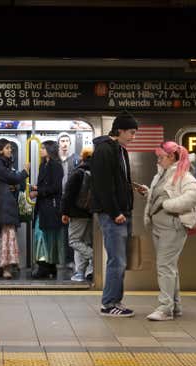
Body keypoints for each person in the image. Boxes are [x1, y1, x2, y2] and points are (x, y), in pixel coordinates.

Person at [141, 141, 196, 321]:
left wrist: (167, 205)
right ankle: (175, 305)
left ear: (172, 157)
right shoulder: (163, 174)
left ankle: (165, 308)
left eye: (161, 157)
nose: (158, 161)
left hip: (173, 227)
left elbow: (193, 197)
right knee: (169, 267)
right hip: (160, 227)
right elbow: (163, 194)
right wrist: (148, 193)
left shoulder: (184, 175)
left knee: (164, 266)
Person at [91, 112, 137, 317]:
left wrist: (132, 188)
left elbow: (118, 180)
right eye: (132, 133)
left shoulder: (120, 150)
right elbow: (102, 185)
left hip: (122, 211)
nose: (133, 137)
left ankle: (116, 300)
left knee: (120, 260)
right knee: (116, 260)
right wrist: (115, 211)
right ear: (120, 131)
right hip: (113, 214)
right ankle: (109, 303)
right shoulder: (104, 151)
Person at [0, 139, 30, 279]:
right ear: (0, 150)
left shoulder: (0, 164)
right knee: (5, 237)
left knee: (2, 237)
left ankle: (0, 268)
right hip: (3, 207)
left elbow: (12, 182)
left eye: (11, 148)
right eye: (7, 148)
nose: (10, 150)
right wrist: (25, 171)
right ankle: (2, 268)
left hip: (3, 206)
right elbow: (12, 177)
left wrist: (14, 185)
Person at [31, 140, 65, 279]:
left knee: (44, 236)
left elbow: (56, 187)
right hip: (44, 206)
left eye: (43, 148)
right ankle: (50, 266)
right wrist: (37, 188)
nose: (40, 150)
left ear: (50, 150)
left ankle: (44, 266)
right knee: (45, 235)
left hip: (51, 206)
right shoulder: (43, 165)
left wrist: (39, 192)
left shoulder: (56, 166)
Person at [61, 147, 94, 282]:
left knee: (74, 241)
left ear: (83, 157)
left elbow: (68, 194)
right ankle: (81, 272)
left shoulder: (78, 172)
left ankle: (94, 256)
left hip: (77, 212)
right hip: (90, 213)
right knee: (85, 242)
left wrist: (64, 212)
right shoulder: (96, 172)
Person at [58, 132, 80, 271]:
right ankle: (59, 259)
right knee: (59, 231)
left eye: (67, 140)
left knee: (71, 232)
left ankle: (70, 260)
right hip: (58, 199)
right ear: (58, 143)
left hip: (71, 201)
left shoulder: (76, 159)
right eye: (62, 141)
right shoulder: (55, 160)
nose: (65, 143)